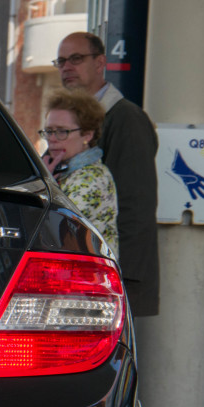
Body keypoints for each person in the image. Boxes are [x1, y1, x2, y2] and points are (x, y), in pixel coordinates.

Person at [56, 32, 159, 316]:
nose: (67, 67)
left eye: (76, 59)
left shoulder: (126, 118)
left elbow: (135, 205)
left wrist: (123, 276)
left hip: (113, 277)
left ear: (100, 62)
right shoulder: (71, 122)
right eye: (61, 61)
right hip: (88, 277)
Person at [41, 88, 118, 255]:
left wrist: (44, 185)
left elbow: (54, 228)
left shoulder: (91, 177)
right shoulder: (62, 171)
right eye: (49, 131)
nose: (52, 139)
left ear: (87, 135)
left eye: (62, 131)